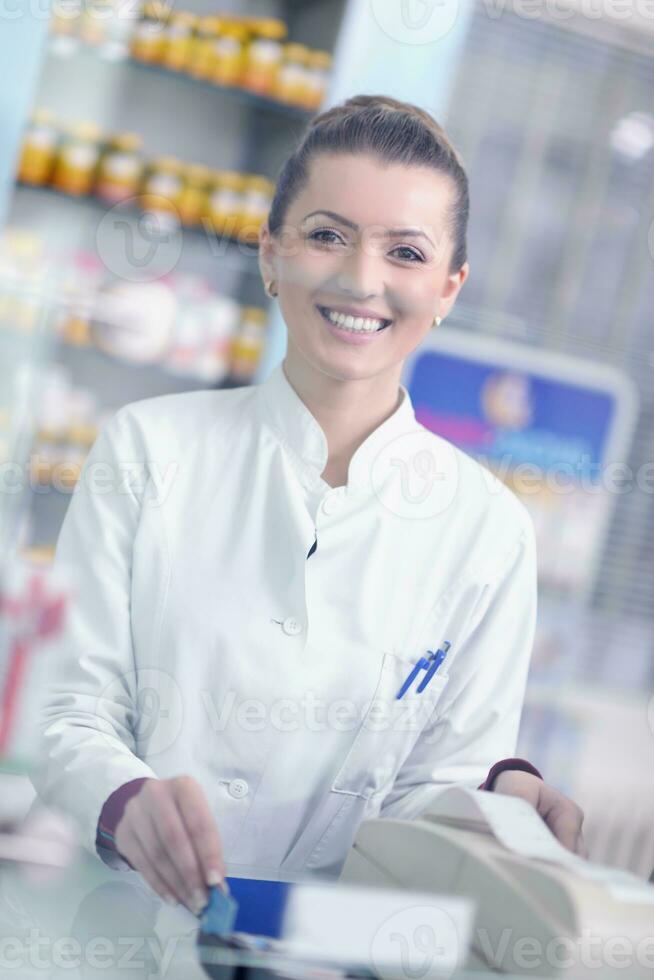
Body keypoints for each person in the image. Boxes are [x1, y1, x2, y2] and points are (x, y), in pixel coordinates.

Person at [31, 94, 586, 917]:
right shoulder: (148, 448)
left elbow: (434, 792)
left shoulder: (488, 530)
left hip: (325, 951)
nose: (363, 280)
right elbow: (64, 706)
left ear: (449, 288)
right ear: (270, 254)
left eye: (406, 252)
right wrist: (123, 800)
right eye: (327, 235)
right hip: (113, 929)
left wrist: (498, 794)